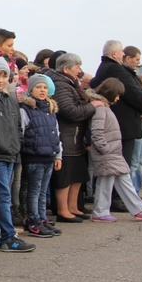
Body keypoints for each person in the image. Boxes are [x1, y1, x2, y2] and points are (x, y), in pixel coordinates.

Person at [0, 57, 36, 252]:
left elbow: (18, 126)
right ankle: (9, 237)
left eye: (4, 76)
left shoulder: (10, 99)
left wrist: (17, 144)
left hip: (10, 153)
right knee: (3, 195)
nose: (1, 80)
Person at [88, 78, 142, 222]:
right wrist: (105, 148)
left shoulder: (102, 108)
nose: (118, 98)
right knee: (115, 181)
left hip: (111, 153)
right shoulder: (101, 109)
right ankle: (136, 209)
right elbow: (97, 132)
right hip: (109, 152)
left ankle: (106, 211)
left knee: (114, 180)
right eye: (117, 95)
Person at [89, 43, 142, 194]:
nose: (123, 53)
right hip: (123, 124)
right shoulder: (113, 68)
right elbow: (133, 92)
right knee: (123, 164)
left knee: (127, 163)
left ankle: (129, 195)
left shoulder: (107, 67)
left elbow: (139, 91)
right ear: (114, 54)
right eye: (121, 51)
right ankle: (121, 198)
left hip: (122, 123)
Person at [48, 53, 102, 222]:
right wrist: (92, 106)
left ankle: (72, 207)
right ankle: (64, 210)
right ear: (66, 68)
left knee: (77, 175)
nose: (80, 71)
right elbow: (69, 111)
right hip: (67, 137)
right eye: (77, 67)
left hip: (75, 137)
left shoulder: (68, 83)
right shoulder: (61, 85)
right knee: (65, 177)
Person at [18, 75, 63, 237]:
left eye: (44, 87)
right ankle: (33, 220)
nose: (42, 90)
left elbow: (56, 134)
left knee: (43, 190)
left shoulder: (50, 110)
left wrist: (58, 155)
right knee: (34, 190)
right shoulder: (25, 109)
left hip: (48, 157)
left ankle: (42, 218)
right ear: (31, 90)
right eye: (38, 87)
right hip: (34, 157)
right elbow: (21, 132)